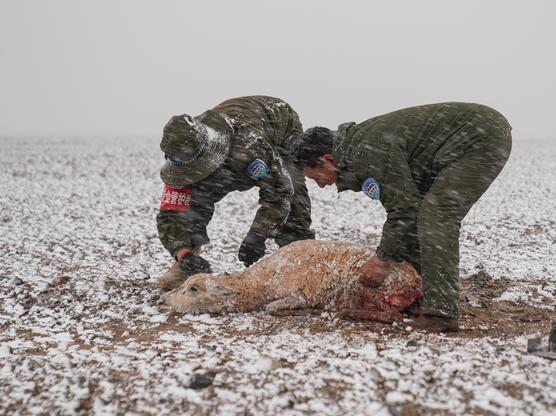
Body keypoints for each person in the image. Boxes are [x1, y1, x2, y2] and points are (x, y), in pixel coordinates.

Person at [291, 102, 512, 332]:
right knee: (423, 215)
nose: (320, 185)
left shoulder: (368, 151)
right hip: (463, 141)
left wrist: (382, 260)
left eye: (315, 177)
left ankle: (441, 314)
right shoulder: (357, 151)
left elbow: (403, 210)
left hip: (478, 138)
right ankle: (424, 295)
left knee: (436, 214)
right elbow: (406, 211)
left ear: (328, 159)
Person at [156, 96, 314, 289]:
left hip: (279, 124)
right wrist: (183, 254)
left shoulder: (249, 146)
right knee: (194, 202)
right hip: (229, 144)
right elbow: (171, 214)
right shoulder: (180, 158)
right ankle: (185, 267)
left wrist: (258, 234)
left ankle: (302, 265)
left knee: (294, 193)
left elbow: (280, 190)